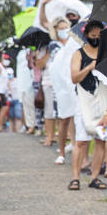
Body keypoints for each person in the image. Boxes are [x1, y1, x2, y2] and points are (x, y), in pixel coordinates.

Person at [68, 20, 107, 191]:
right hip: (83, 101)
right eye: (93, 35)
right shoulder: (78, 54)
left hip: (102, 101)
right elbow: (74, 77)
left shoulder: (106, 54)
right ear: (86, 36)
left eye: (99, 35)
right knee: (81, 142)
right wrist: (90, 67)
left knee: (100, 141)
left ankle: (94, 177)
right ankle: (75, 177)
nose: (96, 38)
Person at [45, 17, 77, 165]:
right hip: (61, 88)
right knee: (63, 119)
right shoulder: (54, 45)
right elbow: (59, 62)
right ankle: (62, 152)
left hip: (73, 84)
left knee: (75, 119)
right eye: (61, 28)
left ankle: (75, 146)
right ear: (55, 30)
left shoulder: (73, 43)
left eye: (66, 27)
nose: (64, 30)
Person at [16, 48, 37, 134]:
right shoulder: (21, 52)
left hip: (31, 82)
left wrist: (31, 58)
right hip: (22, 83)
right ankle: (29, 125)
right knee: (25, 105)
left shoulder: (33, 51)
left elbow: (33, 66)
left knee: (31, 104)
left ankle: (33, 125)